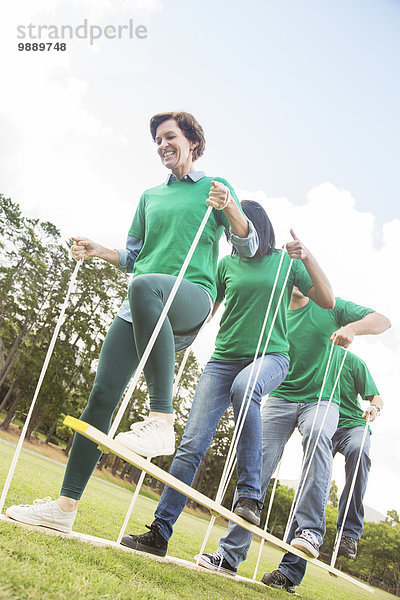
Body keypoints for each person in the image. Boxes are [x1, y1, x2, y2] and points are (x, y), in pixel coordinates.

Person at [5, 111, 257, 534]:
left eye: (170, 136)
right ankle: (63, 510)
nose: (162, 145)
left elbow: (247, 247)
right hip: (142, 301)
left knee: (145, 288)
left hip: (192, 294)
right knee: (101, 397)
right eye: (157, 140)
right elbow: (136, 258)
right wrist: (100, 251)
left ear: (193, 141)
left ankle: (161, 420)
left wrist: (230, 206)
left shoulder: (216, 189)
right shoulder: (149, 197)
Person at [119, 200, 335, 557]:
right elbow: (206, 313)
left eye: (236, 221)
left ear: (256, 225)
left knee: (245, 388)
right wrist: (165, 338)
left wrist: (308, 257)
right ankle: (159, 533)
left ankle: (250, 494)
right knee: (190, 446)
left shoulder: (285, 263)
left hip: (272, 357)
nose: (231, 229)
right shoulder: (225, 265)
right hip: (223, 361)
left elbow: (326, 300)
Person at [197, 287, 390, 590]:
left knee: (318, 437)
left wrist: (351, 328)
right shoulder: (274, 311)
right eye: (292, 273)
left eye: (303, 271)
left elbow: (383, 321)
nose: (297, 279)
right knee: (256, 470)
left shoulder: (331, 306)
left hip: (323, 403)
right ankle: (229, 556)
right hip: (281, 398)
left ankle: (313, 532)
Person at [332, 350, 383, 560]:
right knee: (314, 478)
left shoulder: (351, 361)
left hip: (353, 426)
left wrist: (374, 408)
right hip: (324, 424)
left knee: (358, 450)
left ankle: (349, 533)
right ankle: (290, 569)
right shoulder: (311, 352)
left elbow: (376, 398)